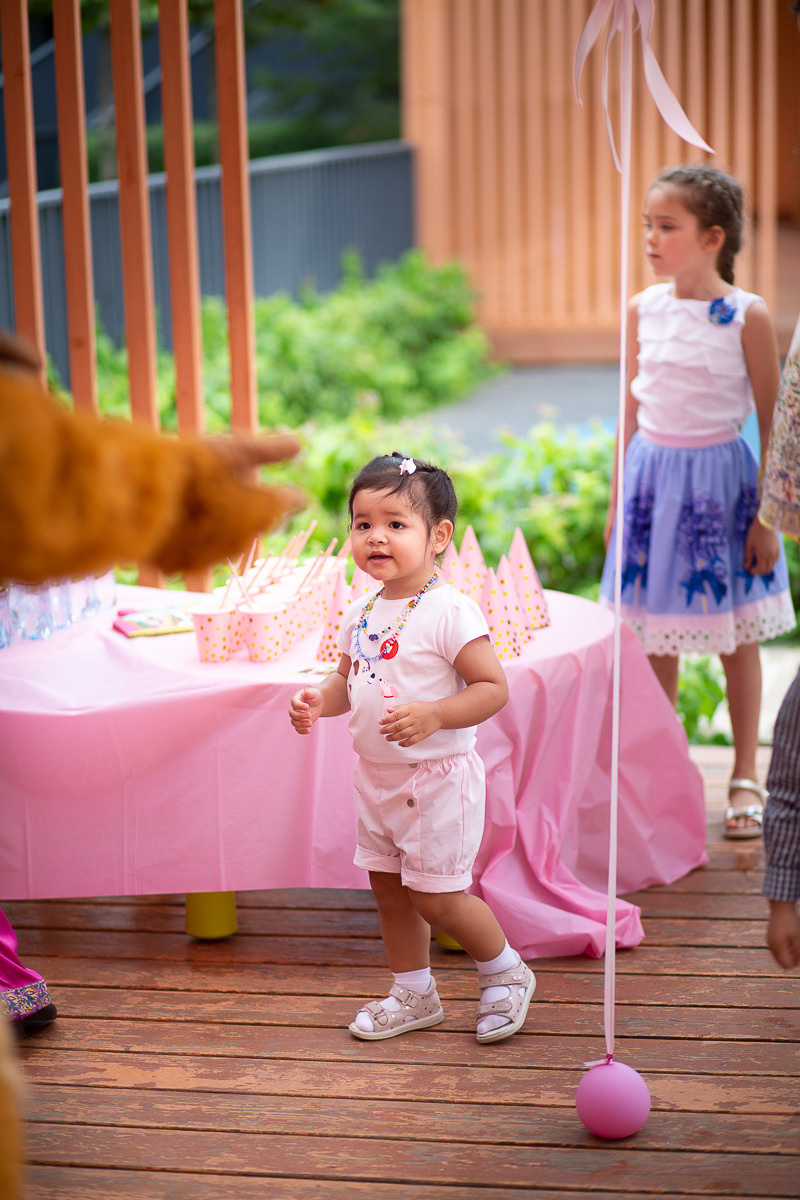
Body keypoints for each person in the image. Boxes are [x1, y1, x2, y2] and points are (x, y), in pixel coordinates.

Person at [289, 453, 535, 1043]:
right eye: (362, 522)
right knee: (390, 890)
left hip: (436, 779)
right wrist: (320, 700)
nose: (376, 536)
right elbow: (347, 680)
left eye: (396, 523)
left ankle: (505, 971)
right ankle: (413, 990)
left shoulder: (450, 610)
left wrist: (435, 715)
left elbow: (492, 687)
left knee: (439, 896)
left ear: (439, 536)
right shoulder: (362, 610)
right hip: (377, 776)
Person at [600, 165, 795, 840]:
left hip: (723, 487)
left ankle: (745, 772)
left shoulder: (747, 315)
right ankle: (665, 770)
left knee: (734, 637)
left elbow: (775, 422)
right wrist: (614, 500)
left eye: (667, 227)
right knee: (657, 635)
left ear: (712, 237)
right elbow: (628, 410)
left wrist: (767, 517)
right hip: (653, 483)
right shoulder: (641, 309)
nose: (652, 238)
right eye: (648, 225)